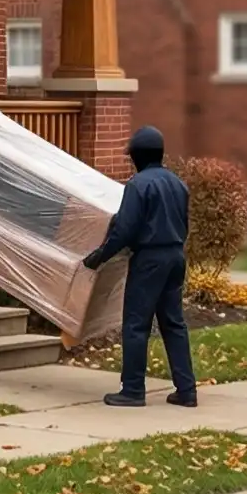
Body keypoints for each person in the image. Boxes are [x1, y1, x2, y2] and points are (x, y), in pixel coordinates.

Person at [82, 125, 195, 407]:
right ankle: (186, 390)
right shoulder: (178, 183)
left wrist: (100, 256)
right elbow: (185, 223)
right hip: (175, 256)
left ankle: (132, 390)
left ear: (137, 157)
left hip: (150, 261)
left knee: (136, 324)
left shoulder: (138, 185)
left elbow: (124, 230)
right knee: (174, 324)